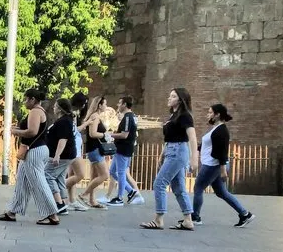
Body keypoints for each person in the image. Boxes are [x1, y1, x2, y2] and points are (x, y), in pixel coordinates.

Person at [0, 89, 60, 224]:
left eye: (26, 99)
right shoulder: (39, 111)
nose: (24, 102)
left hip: (34, 152)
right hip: (36, 151)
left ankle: (52, 214)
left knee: (38, 182)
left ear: (32, 99)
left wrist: (15, 131)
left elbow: (32, 132)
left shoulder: (35, 112)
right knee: (22, 183)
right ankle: (12, 212)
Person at [141, 88, 198, 231]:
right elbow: (169, 138)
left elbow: (192, 137)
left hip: (178, 151)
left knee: (159, 183)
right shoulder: (173, 115)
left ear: (180, 100)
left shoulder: (185, 116)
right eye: (169, 95)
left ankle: (158, 219)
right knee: (178, 187)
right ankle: (188, 220)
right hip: (171, 150)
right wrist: (162, 153)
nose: (169, 98)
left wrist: (194, 158)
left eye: (173, 96)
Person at [192, 104, 255, 228]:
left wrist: (223, 170)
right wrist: (195, 149)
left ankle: (196, 217)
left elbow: (222, 151)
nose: (208, 114)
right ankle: (245, 214)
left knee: (198, 188)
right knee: (221, 192)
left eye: (210, 112)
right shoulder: (216, 128)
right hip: (213, 165)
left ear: (217, 114)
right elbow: (207, 145)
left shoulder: (222, 130)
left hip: (212, 165)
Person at [45, 98, 77, 214]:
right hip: (67, 155)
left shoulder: (64, 121)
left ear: (59, 108)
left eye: (55, 106)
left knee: (47, 175)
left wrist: (57, 155)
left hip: (63, 155)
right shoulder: (66, 120)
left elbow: (62, 139)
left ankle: (59, 204)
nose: (53, 107)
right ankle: (63, 202)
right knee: (59, 177)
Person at [105, 96, 139, 207]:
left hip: (123, 149)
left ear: (124, 104)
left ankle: (119, 198)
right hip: (123, 148)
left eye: (119, 103)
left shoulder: (128, 117)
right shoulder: (132, 116)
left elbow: (124, 135)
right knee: (112, 172)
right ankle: (131, 191)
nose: (118, 105)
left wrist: (110, 135)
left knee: (120, 173)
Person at [80, 96, 109, 209]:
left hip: (94, 149)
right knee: (104, 175)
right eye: (105, 104)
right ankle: (83, 195)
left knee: (94, 176)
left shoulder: (95, 116)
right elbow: (93, 133)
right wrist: (106, 135)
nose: (106, 106)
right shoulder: (95, 117)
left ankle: (93, 200)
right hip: (95, 149)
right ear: (99, 105)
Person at [64, 93, 90, 211]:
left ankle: (72, 200)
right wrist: (86, 124)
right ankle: (55, 189)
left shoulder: (76, 113)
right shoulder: (72, 114)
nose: (85, 105)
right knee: (80, 174)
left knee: (72, 174)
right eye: (84, 103)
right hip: (74, 145)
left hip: (76, 144)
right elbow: (75, 130)